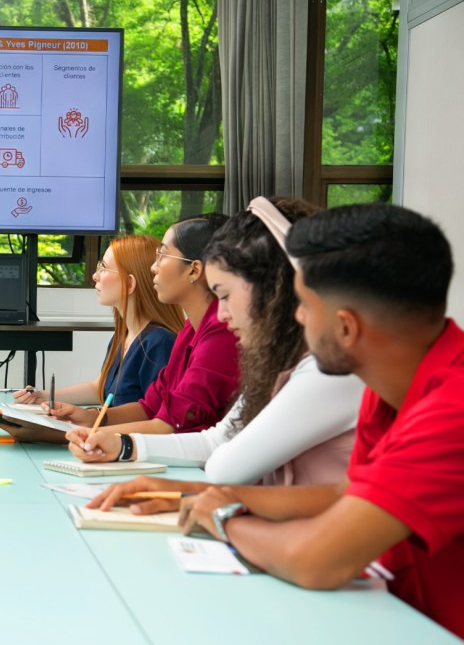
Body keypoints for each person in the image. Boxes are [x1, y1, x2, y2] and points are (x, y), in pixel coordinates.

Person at [91, 204, 464, 639]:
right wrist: (193, 493)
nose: (296, 317)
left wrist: (225, 516)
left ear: (346, 326)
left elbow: (318, 559)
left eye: (304, 304)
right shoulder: (392, 387)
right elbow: (347, 493)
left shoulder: (450, 408)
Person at [66, 198, 364, 484]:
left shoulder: (329, 371)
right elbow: (216, 440)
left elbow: (227, 465)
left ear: (273, 290)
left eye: (225, 294)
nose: (220, 313)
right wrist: (119, 443)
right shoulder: (283, 360)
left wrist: (109, 438)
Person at [44, 214, 240, 436]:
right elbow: (150, 407)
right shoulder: (189, 331)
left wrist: (88, 434)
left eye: (162, 256)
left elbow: (171, 425)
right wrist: (90, 418)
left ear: (194, 270)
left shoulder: (221, 332)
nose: (153, 268)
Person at [13, 235, 183, 409]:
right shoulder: (124, 335)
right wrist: (42, 396)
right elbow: (99, 387)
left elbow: (155, 416)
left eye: (104, 268)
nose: (95, 276)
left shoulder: (159, 343)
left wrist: (87, 420)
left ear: (129, 283)